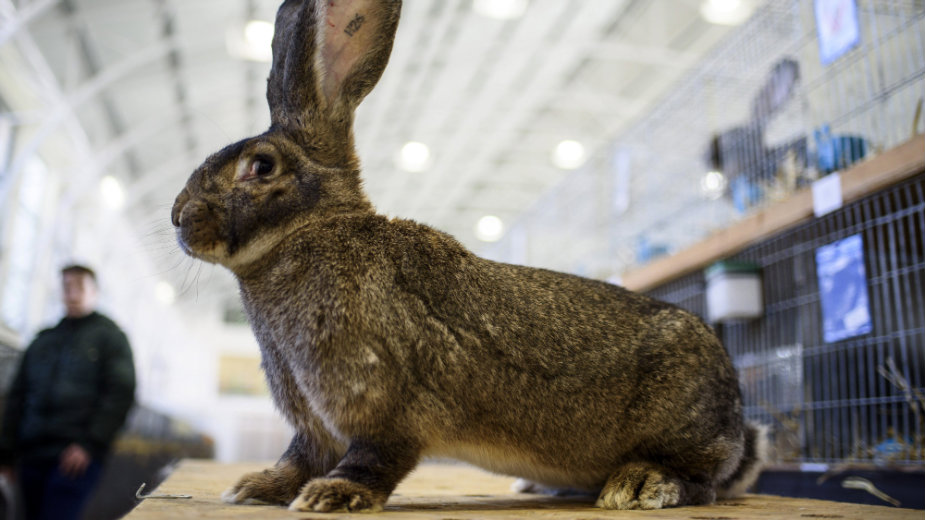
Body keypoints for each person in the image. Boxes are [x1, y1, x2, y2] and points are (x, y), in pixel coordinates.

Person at [0, 265, 135, 520]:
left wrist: (89, 444)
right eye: (66, 287)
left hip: (74, 457)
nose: (72, 294)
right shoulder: (43, 340)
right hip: (32, 453)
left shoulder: (111, 339)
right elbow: (17, 396)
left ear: (94, 292)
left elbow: (121, 393)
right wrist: (6, 454)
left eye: (79, 287)